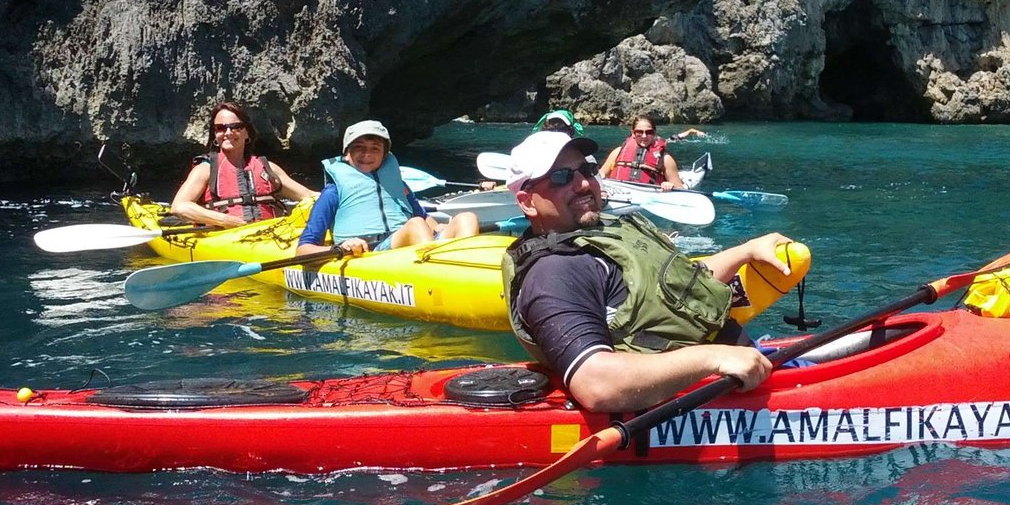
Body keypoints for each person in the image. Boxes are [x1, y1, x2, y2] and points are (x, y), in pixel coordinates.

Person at [502, 131, 796, 412]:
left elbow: (673, 288)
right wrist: (713, 357)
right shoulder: (554, 272)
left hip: (742, 367)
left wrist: (744, 251)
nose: (582, 184)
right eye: (560, 177)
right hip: (716, 392)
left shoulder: (605, 231)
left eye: (587, 170)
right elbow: (595, 384)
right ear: (527, 202)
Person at [297, 120, 480, 255]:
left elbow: (421, 216)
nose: (367, 154)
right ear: (346, 154)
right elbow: (304, 249)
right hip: (370, 250)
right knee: (416, 226)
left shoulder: (399, 186)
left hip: (410, 242)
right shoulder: (333, 192)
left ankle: (468, 271)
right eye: (359, 147)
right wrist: (338, 248)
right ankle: (436, 277)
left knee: (467, 218)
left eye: (375, 148)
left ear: (385, 155)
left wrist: (441, 227)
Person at [170, 102, 318, 229]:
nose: (227, 133)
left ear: (247, 132)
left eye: (235, 127)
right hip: (224, 236)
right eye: (220, 128)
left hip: (270, 233)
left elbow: (308, 196)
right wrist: (225, 220)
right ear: (215, 134)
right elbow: (179, 206)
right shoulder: (205, 169)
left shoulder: (268, 168)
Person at [599, 115, 683, 190]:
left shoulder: (666, 159)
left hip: (649, 198)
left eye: (649, 132)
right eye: (639, 132)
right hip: (618, 193)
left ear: (654, 133)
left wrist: (670, 185)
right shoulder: (618, 152)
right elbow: (601, 174)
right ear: (633, 133)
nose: (644, 136)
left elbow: (680, 189)